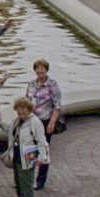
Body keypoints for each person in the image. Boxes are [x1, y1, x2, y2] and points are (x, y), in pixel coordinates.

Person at [0, 96, 50, 197]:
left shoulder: (35, 122)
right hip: (17, 155)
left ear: (29, 109)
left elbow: (41, 141)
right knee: (18, 181)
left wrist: (42, 157)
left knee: (27, 182)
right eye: (18, 109)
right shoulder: (16, 121)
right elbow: (6, 129)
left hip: (29, 156)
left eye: (23, 109)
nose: (20, 111)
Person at [26, 59, 63, 190]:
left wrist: (52, 122)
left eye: (42, 68)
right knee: (29, 150)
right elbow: (27, 102)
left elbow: (57, 106)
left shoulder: (52, 85)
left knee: (43, 151)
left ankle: (40, 180)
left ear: (46, 69)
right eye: (37, 68)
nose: (39, 71)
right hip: (31, 121)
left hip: (45, 121)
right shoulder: (31, 84)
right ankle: (27, 178)